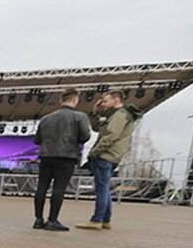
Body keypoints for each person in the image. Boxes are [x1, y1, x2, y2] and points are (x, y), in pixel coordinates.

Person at [76, 91, 142, 230]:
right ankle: (105, 219)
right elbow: (96, 128)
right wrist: (95, 112)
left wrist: (94, 152)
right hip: (112, 155)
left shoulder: (120, 115)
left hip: (106, 155)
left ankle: (97, 219)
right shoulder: (117, 115)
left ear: (116, 99)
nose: (103, 103)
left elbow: (110, 136)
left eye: (105, 101)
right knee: (104, 188)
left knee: (101, 188)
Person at [31, 88, 91, 231]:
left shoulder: (46, 118)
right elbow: (85, 137)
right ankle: (52, 220)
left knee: (41, 187)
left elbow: (37, 140)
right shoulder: (80, 116)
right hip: (66, 156)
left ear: (61, 100)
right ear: (75, 100)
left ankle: (38, 219)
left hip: (46, 156)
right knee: (59, 188)